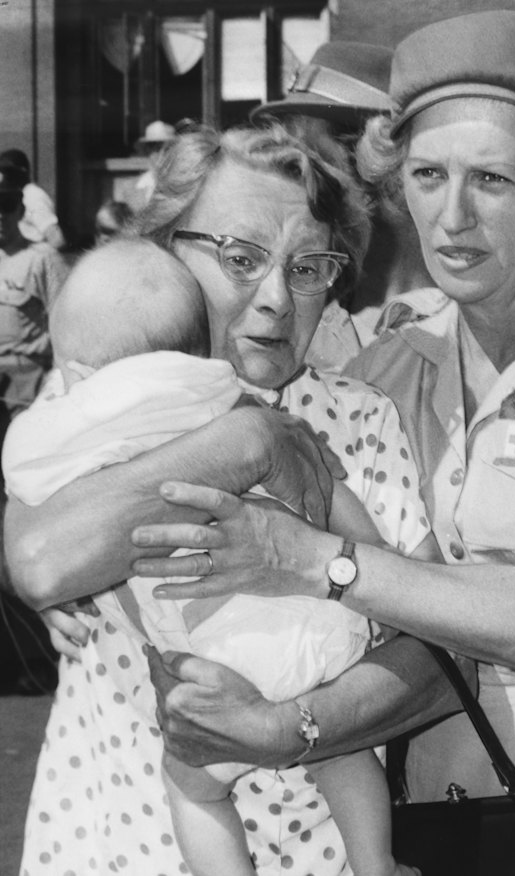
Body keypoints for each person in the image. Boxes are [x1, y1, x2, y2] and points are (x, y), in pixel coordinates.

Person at [113, 9, 515, 852]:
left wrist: (313, 558)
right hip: (437, 819)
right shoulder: (389, 367)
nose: (453, 218)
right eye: (429, 176)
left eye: (494, 180)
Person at [5, 124, 445, 876]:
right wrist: (249, 444)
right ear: (166, 250)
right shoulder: (100, 400)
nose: (276, 298)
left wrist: (286, 726)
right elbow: (43, 561)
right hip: (110, 839)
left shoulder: (366, 418)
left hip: (316, 851)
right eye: (241, 259)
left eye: (309, 267)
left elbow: (438, 650)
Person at [251, 40, 432, 370]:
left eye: (309, 155)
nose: (294, 175)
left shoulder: (445, 297)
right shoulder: (318, 278)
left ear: (366, 152)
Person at [0, 153, 69, 418]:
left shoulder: (42, 259)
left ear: (19, 209)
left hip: (25, 381)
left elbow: (65, 326)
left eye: (6, 204)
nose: (0, 215)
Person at [0, 149, 66, 251]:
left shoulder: (33, 196)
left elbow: (57, 240)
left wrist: (30, 256)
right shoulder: (13, 195)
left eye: (7, 172)